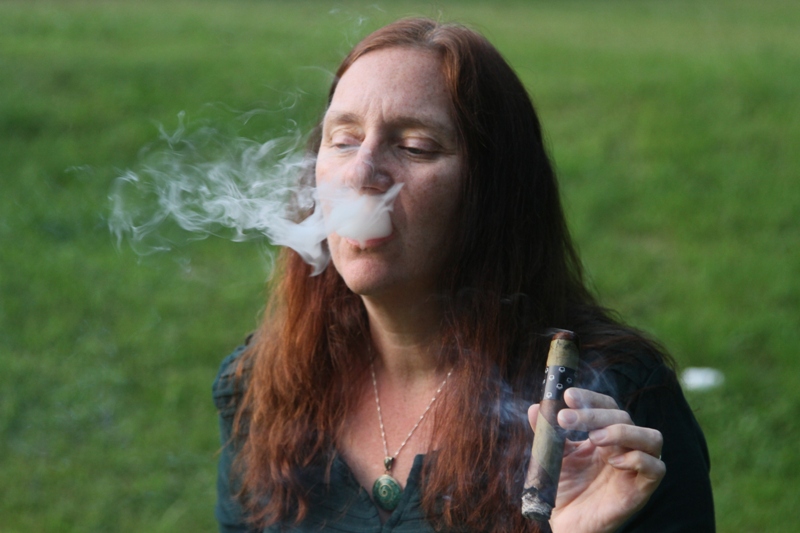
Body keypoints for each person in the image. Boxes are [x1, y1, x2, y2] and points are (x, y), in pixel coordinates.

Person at [213, 17, 714, 533]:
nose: (361, 173)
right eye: (343, 140)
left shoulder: (610, 411)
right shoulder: (263, 387)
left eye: (415, 147)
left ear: (490, 192)